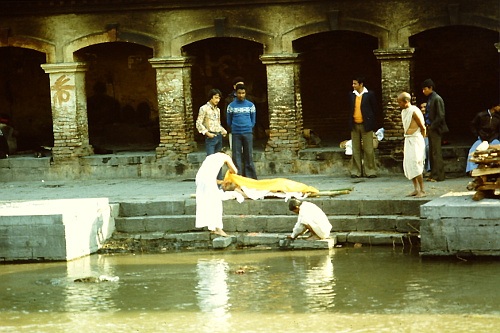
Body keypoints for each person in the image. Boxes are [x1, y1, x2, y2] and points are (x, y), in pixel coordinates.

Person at [195, 151, 238, 237]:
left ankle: (212, 228)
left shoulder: (210, 157)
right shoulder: (226, 156)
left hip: (199, 179)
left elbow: (208, 177)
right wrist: (230, 173)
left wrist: (222, 182)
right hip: (207, 180)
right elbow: (235, 171)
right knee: (216, 203)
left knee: (205, 201)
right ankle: (218, 228)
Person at [397, 92, 427, 198]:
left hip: (415, 140)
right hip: (408, 139)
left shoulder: (414, 111)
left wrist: (420, 140)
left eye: (400, 102)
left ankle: (422, 190)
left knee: (416, 164)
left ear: (406, 101)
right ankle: (416, 189)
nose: (398, 104)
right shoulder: (404, 111)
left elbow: (423, 127)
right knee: (409, 164)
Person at [349, 75, 378, 178]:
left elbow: (374, 108)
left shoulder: (369, 94)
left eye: (355, 83)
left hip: (366, 124)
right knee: (355, 149)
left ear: (361, 84)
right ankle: (356, 171)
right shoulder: (351, 95)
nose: (353, 85)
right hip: (355, 124)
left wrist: (373, 123)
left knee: (368, 149)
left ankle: (370, 171)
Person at [227, 84, 257, 179]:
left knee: (248, 154)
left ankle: (250, 177)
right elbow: (228, 120)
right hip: (236, 133)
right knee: (236, 155)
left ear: (245, 93)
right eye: (239, 93)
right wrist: (234, 127)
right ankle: (238, 177)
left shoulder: (250, 105)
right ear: (235, 93)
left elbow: (253, 119)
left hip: (247, 132)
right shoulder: (231, 106)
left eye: (243, 93)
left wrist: (249, 126)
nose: (241, 95)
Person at [421, 79, 449, 182]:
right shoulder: (430, 99)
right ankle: (433, 174)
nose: (423, 91)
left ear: (430, 88)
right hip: (431, 127)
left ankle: (439, 176)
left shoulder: (437, 99)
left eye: (425, 89)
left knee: (436, 153)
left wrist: (432, 126)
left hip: (436, 129)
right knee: (432, 152)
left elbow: (440, 115)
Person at [222, 172, 319, 200]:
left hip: (264, 184)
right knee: (281, 185)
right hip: (266, 188)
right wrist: (237, 190)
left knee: (281, 182)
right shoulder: (238, 190)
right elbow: (251, 195)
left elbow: (255, 184)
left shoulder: (242, 184)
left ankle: (304, 188)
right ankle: (304, 188)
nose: (224, 186)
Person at [466, 101, 500, 175]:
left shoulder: (498, 117)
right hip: (482, 138)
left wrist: (496, 136)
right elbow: (473, 125)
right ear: (494, 106)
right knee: (472, 151)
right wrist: (477, 135)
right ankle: (472, 170)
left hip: (493, 138)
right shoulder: (481, 115)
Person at [196, 89, 228, 156]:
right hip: (210, 136)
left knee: (218, 159)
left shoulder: (217, 110)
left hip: (219, 135)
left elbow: (218, 123)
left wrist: (223, 130)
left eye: (219, 98)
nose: (218, 100)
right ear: (211, 97)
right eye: (216, 98)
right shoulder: (203, 108)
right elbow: (198, 123)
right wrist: (207, 133)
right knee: (210, 159)